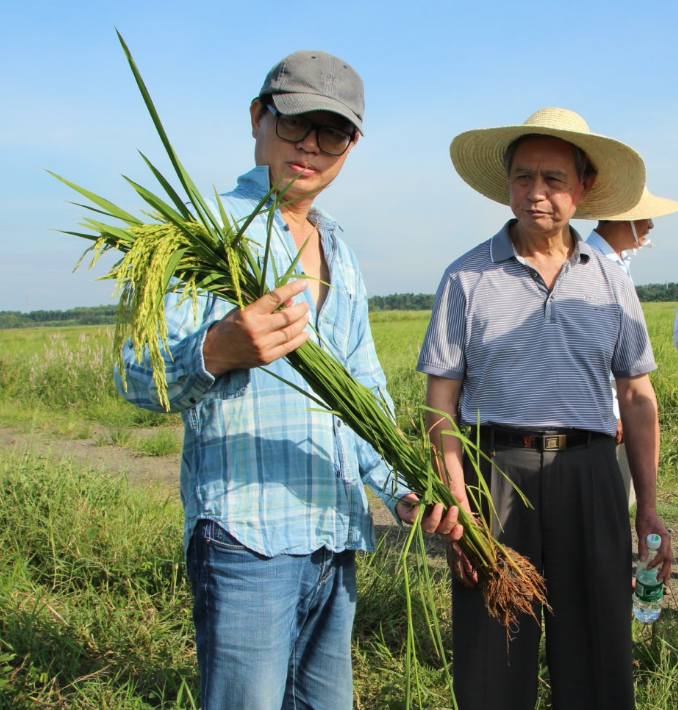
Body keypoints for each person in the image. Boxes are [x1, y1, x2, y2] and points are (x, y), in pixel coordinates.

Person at [115, 50, 456, 710]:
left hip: (334, 533)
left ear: (352, 145)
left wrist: (399, 485)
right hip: (248, 537)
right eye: (295, 122)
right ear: (257, 118)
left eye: (331, 133)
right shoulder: (201, 229)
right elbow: (134, 373)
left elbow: (363, 390)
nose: (309, 146)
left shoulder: (340, 249)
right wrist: (218, 349)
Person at [417, 107, 673, 710]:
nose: (537, 194)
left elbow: (637, 398)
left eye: (554, 179)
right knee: (493, 653)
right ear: (506, 184)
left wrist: (650, 508)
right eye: (524, 177)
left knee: (597, 656)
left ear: (582, 189)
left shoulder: (610, 281)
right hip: (495, 476)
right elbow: (441, 402)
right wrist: (458, 500)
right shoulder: (467, 277)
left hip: (589, 476)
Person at [586, 188, 678, 507]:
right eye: (646, 217)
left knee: (621, 505)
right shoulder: (589, 265)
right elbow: (587, 352)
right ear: (625, 218)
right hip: (604, 417)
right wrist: (609, 413)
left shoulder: (618, 263)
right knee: (602, 511)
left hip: (625, 408)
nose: (651, 225)